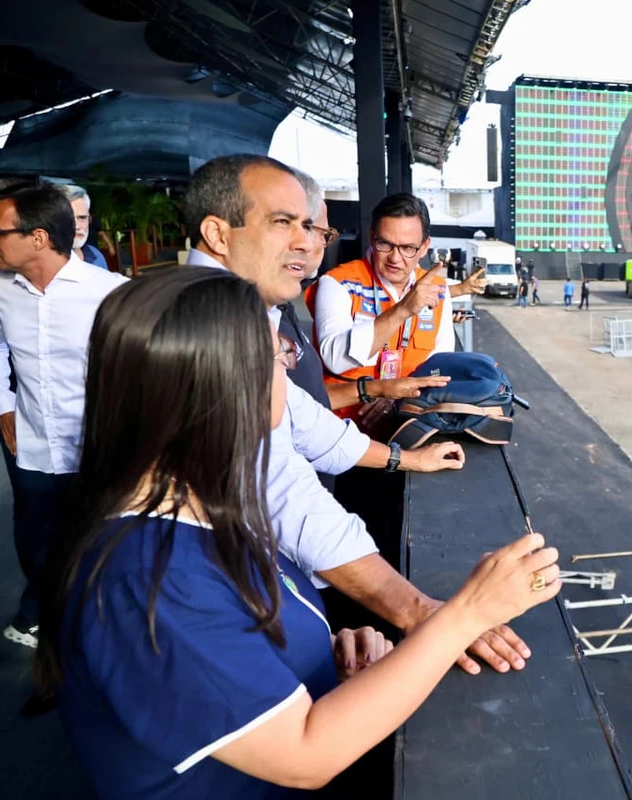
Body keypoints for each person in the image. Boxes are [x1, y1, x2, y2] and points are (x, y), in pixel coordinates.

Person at [37, 267, 562, 799]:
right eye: (276, 358)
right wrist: (467, 612)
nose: (287, 374)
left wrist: (317, 657)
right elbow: (303, 757)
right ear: (219, 386)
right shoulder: (148, 580)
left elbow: (219, 658)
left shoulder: (207, 509)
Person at [183, 155, 528, 674]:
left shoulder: (244, 310)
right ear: (217, 233)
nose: (307, 243)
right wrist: (427, 615)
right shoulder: (206, 326)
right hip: (224, 588)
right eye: (285, 223)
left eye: (313, 227)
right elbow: (279, 485)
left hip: (296, 526)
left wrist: (407, 459)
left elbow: (306, 421)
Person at [0, 181, 127, 649]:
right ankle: (51, 631)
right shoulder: (0, 288)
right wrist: (3, 404)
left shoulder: (111, 293)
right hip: (29, 446)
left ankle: (103, 637)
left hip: (97, 450)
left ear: (37, 238)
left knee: (99, 546)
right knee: (37, 543)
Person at [309, 193, 486, 419]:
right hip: (339, 426)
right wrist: (402, 310)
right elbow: (335, 359)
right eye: (386, 244)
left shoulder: (437, 290)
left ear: (424, 247)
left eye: (408, 248)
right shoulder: (337, 283)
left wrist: (396, 396)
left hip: (405, 420)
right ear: (373, 237)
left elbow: (440, 369)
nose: (395, 258)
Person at [61, 185, 109, 270]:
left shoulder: (96, 256)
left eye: (82, 218)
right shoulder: (39, 264)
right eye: (68, 219)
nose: (77, 226)